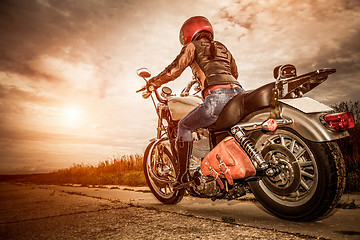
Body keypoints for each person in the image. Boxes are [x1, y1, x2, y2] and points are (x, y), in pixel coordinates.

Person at [148, 16, 244, 189]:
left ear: (188, 33)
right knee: (221, 131)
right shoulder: (223, 48)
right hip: (238, 93)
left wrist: (153, 82)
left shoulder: (192, 46)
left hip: (217, 96)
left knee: (183, 126)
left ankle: (183, 176)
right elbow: (234, 73)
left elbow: (174, 70)